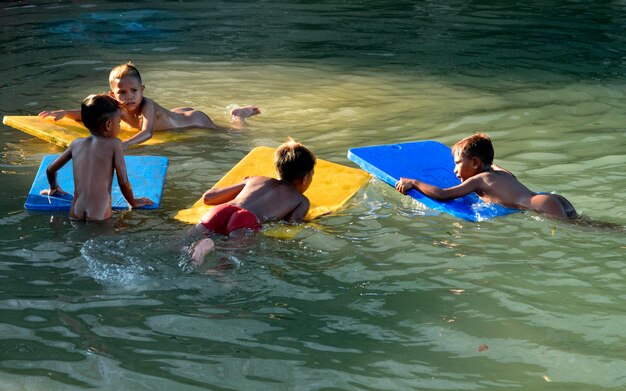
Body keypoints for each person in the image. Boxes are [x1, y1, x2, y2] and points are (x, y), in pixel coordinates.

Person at [38, 62, 260, 148]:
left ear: (142, 90)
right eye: (122, 93)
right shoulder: (116, 105)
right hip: (173, 115)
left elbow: (147, 133)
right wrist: (64, 113)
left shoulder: (147, 105)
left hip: (192, 121)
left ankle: (237, 115)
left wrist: (123, 145)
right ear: (111, 94)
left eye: (134, 91)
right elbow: (91, 115)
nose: (129, 97)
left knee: (231, 134)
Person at [395, 133, 578, 220]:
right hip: (552, 199)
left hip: (540, 205)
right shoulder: (499, 173)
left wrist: (414, 182)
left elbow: (443, 194)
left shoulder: (479, 180)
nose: (454, 170)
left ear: (475, 163)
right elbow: (492, 164)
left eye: (458, 163)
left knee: (576, 233)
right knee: (587, 225)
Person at [190, 139, 316, 264]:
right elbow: (290, 226)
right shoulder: (301, 200)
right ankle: (219, 271)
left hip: (222, 209)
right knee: (230, 260)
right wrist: (312, 221)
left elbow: (208, 197)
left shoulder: (255, 179)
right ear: (305, 179)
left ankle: (202, 244)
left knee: (182, 243)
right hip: (246, 219)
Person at [40, 94, 154, 221]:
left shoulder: (76, 143)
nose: (119, 126)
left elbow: (50, 169)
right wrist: (133, 202)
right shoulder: (115, 144)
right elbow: (123, 182)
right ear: (109, 125)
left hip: (75, 211)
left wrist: (53, 187)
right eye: (119, 122)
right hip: (100, 214)